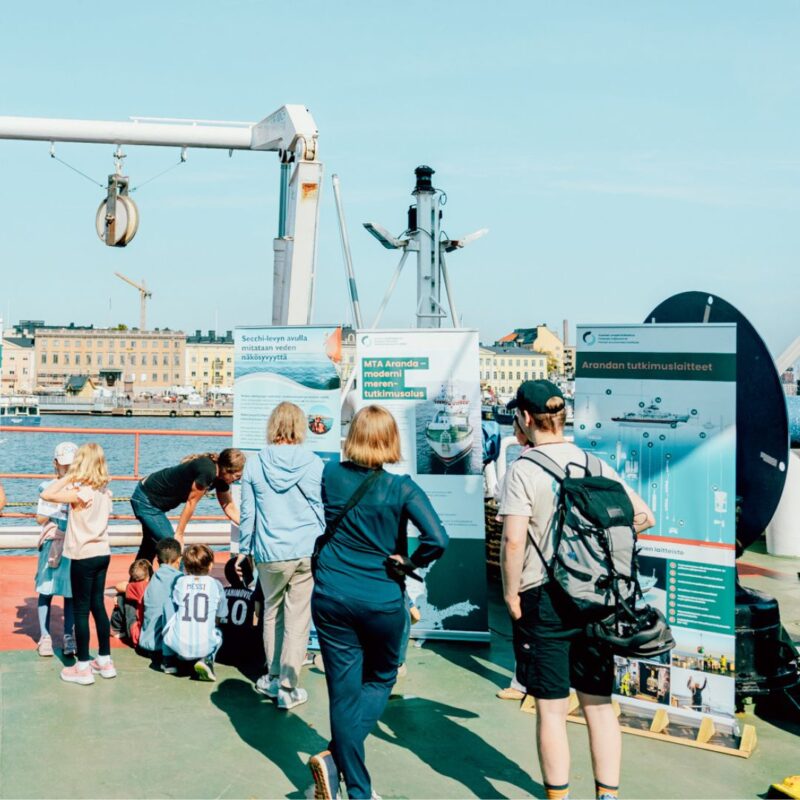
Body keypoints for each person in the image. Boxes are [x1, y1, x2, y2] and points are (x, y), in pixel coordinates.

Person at [499, 380, 655, 800]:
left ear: (526, 418)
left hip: (544, 598)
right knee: (599, 705)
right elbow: (644, 516)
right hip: (599, 599)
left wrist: (511, 594)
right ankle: (608, 795)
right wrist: (589, 543)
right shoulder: (595, 464)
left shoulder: (523, 469)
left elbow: (513, 540)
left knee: (551, 710)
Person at [308, 405, 449, 800]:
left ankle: (354, 784)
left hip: (331, 594)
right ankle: (343, 769)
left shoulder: (331, 475)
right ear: (390, 440)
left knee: (342, 691)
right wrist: (410, 562)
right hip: (381, 599)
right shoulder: (402, 488)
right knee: (383, 676)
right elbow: (439, 539)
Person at [238, 401, 324, 710]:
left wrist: (243, 550)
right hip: (305, 551)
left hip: (269, 552)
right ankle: (289, 687)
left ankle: (272, 678)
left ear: (272, 426)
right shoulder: (314, 464)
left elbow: (248, 514)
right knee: (298, 620)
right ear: (300, 426)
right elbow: (321, 509)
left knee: (272, 613)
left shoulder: (255, 464)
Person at [41, 443, 115, 686]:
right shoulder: (105, 491)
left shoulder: (81, 493)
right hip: (103, 553)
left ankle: (82, 666)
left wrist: (69, 477)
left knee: (82, 610)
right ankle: (105, 660)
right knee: (98, 606)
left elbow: (48, 494)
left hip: (83, 555)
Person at [130, 449, 245, 563]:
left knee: (149, 548)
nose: (238, 480)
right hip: (146, 500)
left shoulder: (221, 479)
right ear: (226, 470)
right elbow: (191, 502)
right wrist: (179, 535)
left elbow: (229, 507)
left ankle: (136, 580)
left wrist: (247, 525)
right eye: (237, 476)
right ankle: (178, 580)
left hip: (153, 501)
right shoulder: (207, 471)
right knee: (174, 549)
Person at [34, 442, 78, 658]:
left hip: (72, 544)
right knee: (46, 589)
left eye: (72, 465)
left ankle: (69, 635)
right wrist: (53, 508)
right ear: (56, 464)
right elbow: (40, 519)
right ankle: (44, 636)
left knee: (70, 593)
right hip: (53, 543)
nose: (68, 469)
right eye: (64, 465)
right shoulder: (47, 486)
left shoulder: (81, 489)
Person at [162, 544, 228, 681]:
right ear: (210, 565)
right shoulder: (215, 584)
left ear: (185, 566)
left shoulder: (180, 582)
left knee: (170, 612)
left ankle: (168, 660)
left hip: (178, 644)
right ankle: (207, 660)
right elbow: (221, 614)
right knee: (219, 634)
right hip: (204, 645)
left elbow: (175, 602)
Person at [217, 556, 265, 671]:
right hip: (244, 653)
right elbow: (258, 618)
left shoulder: (222, 592)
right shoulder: (252, 595)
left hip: (222, 651)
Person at [139, 537, 183, 656]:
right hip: (163, 648)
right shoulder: (180, 580)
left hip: (145, 643)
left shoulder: (152, 579)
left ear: (157, 560)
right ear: (179, 559)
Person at [109, 559, 153, 646]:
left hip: (137, 636)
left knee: (122, 597)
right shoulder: (153, 585)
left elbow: (118, 586)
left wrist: (118, 595)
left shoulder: (138, 587)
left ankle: (117, 629)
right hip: (153, 631)